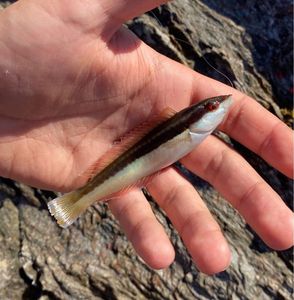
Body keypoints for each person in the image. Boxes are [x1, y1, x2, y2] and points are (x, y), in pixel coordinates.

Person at [0, 0, 292, 275]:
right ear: (197, 118)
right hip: (128, 164)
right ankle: (76, 200)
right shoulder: (188, 130)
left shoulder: (191, 130)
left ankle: (78, 199)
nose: (222, 106)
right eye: (213, 107)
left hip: (138, 159)